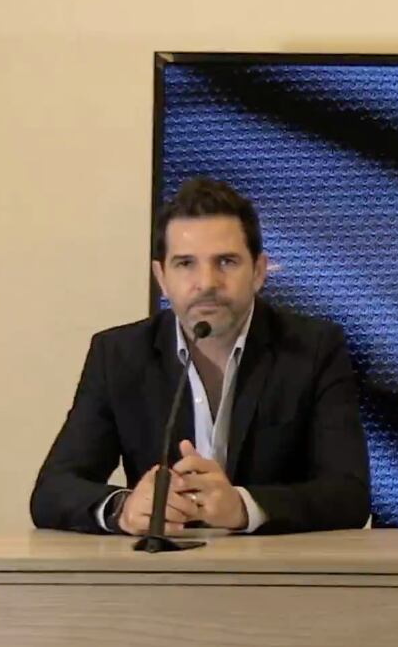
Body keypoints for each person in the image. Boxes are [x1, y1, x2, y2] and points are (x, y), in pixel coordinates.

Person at [31, 176, 370, 535]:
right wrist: (124, 508)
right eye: (185, 263)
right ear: (162, 277)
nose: (207, 283)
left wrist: (244, 506)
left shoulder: (314, 348)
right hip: (160, 564)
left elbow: (349, 494)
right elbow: (52, 491)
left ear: (258, 272)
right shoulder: (118, 355)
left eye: (226, 261)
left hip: (275, 566)